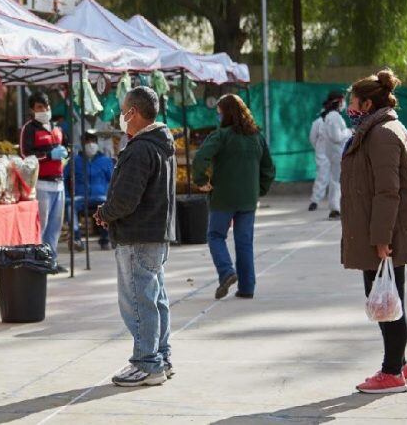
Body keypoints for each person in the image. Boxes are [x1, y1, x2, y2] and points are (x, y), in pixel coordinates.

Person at [340, 69, 407, 394]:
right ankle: (400, 363)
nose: (349, 106)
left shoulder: (382, 134)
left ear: (367, 103)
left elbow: (387, 192)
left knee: (387, 301)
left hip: (385, 234)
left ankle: (391, 372)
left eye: (353, 101)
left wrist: (381, 239)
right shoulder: (377, 129)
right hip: (379, 230)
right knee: (386, 298)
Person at [94, 87, 176, 387]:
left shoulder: (141, 148)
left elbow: (126, 199)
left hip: (138, 234)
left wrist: (105, 213)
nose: (121, 115)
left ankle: (146, 362)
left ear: (134, 112)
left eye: (123, 109)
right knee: (156, 298)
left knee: (139, 301)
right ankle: (161, 356)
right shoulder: (162, 144)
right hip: (155, 232)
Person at [192, 94, 275, 300]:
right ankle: (247, 288)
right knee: (244, 242)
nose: (218, 117)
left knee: (215, 236)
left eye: (219, 113)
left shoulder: (221, 136)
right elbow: (269, 169)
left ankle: (227, 271)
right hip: (248, 199)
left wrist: (201, 181)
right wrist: (259, 190)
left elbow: (201, 157)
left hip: (222, 197)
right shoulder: (257, 137)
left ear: (226, 114)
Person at [20, 91, 68, 273]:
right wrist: (48, 155)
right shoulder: (29, 128)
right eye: (40, 107)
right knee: (42, 224)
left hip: (59, 182)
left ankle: (51, 260)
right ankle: (38, 261)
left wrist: (65, 154)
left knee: (55, 226)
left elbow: (66, 146)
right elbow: (25, 154)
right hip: (41, 183)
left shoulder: (56, 126)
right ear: (32, 110)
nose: (44, 110)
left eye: (46, 106)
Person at [65, 131, 113, 251]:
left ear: (97, 143)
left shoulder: (106, 161)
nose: (90, 144)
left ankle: (105, 239)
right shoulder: (74, 161)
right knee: (70, 207)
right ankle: (76, 238)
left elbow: (113, 181)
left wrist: (111, 196)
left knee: (107, 206)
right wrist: (67, 196)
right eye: (87, 142)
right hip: (80, 197)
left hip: (101, 196)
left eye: (93, 142)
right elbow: (64, 179)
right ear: (82, 144)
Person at [320, 90, 351, 219]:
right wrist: (349, 132)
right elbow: (337, 137)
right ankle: (335, 208)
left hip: (335, 153)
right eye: (343, 100)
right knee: (337, 181)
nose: (344, 103)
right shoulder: (334, 117)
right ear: (338, 101)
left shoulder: (331, 116)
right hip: (337, 153)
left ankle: (336, 207)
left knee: (336, 180)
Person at [308, 112, 329, 212]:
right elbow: (312, 138)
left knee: (337, 179)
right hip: (323, 155)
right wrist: (319, 149)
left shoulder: (338, 120)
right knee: (321, 177)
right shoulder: (318, 123)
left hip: (336, 154)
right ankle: (315, 201)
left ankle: (338, 203)